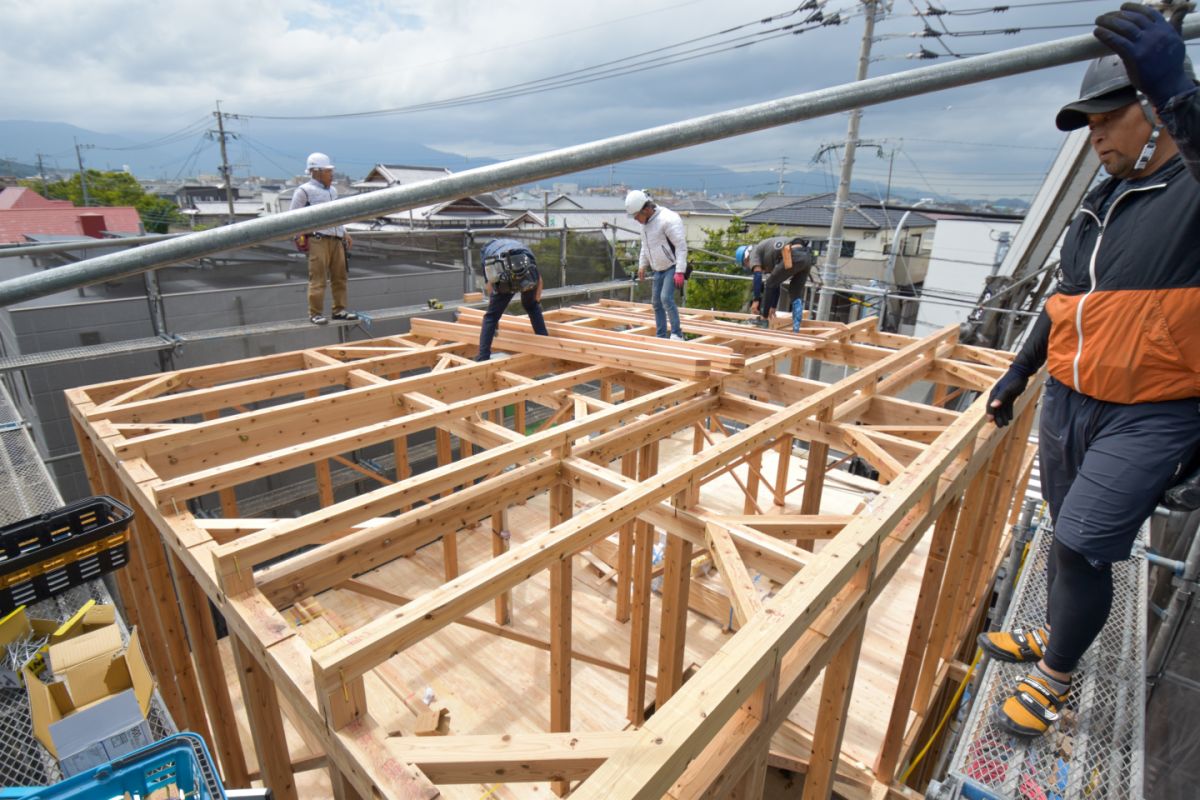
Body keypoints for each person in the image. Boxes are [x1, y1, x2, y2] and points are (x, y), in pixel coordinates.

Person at [979, 3, 1200, 739]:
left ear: (1155, 114)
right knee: (1062, 532)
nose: (1097, 136)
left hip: (1153, 407)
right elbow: (1066, 302)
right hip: (1073, 396)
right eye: (1090, 124)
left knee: (1083, 541)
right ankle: (1056, 632)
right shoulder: (1100, 202)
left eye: (1110, 118)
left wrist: (1184, 96)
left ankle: (1057, 682)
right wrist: (1019, 373)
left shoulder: (1191, 193)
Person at [291, 152, 356, 325]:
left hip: (336, 239)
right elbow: (292, 218)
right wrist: (299, 237)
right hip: (318, 238)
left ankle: (339, 310)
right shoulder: (304, 191)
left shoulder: (333, 191)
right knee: (318, 278)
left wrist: (345, 232)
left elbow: (338, 215)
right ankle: (315, 313)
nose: (331, 174)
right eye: (328, 171)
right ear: (316, 171)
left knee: (340, 277)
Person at [474, 238, 549, 361]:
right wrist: (536, 301)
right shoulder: (522, 249)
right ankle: (545, 345)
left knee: (491, 317)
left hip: (505, 276)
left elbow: (490, 286)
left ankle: (483, 357)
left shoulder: (487, 255)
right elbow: (539, 279)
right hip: (526, 274)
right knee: (531, 306)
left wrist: (494, 318)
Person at [626, 190, 686, 340]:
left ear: (646, 209)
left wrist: (680, 271)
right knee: (656, 303)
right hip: (658, 269)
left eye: (637, 216)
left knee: (666, 298)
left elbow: (681, 246)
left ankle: (677, 334)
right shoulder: (644, 224)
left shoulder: (667, 219)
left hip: (671, 266)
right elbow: (645, 246)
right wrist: (642, 265)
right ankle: (661, 335)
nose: (636, 219)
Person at [736, 237, 817, 331]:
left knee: (769, 283)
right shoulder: (767, 256)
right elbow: (777, 282)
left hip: (792, 253)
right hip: (806, 257)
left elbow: (757, 276)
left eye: (747, 265)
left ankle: (763, 319)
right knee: (795, 293)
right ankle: (796, 327)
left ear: (746, 259)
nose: (751, 267)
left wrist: (756, 300)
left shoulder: (753, 251)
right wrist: (773, 306)